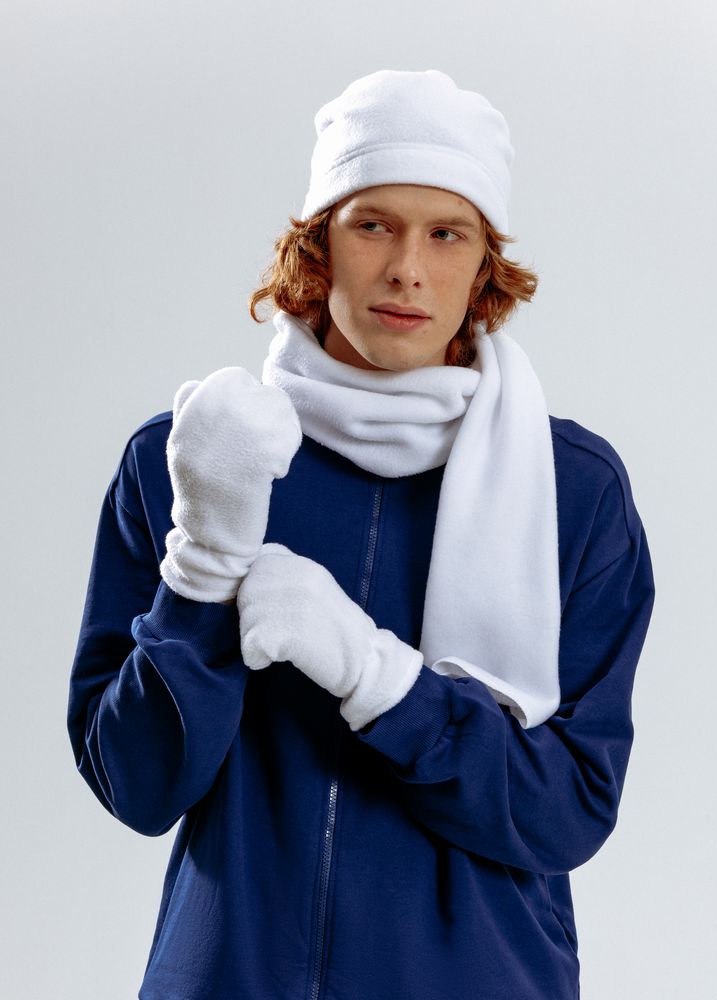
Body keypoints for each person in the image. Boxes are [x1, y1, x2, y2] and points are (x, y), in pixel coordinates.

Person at [67, 69, 656, 999]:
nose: (407, 269)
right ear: (318, 246)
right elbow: (137, 786)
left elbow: (568, 810)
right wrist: (205, 565)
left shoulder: (573, 492)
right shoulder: (195, 454)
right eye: (372, 223)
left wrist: (379, 678)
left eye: (447, 233)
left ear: (484, 265)